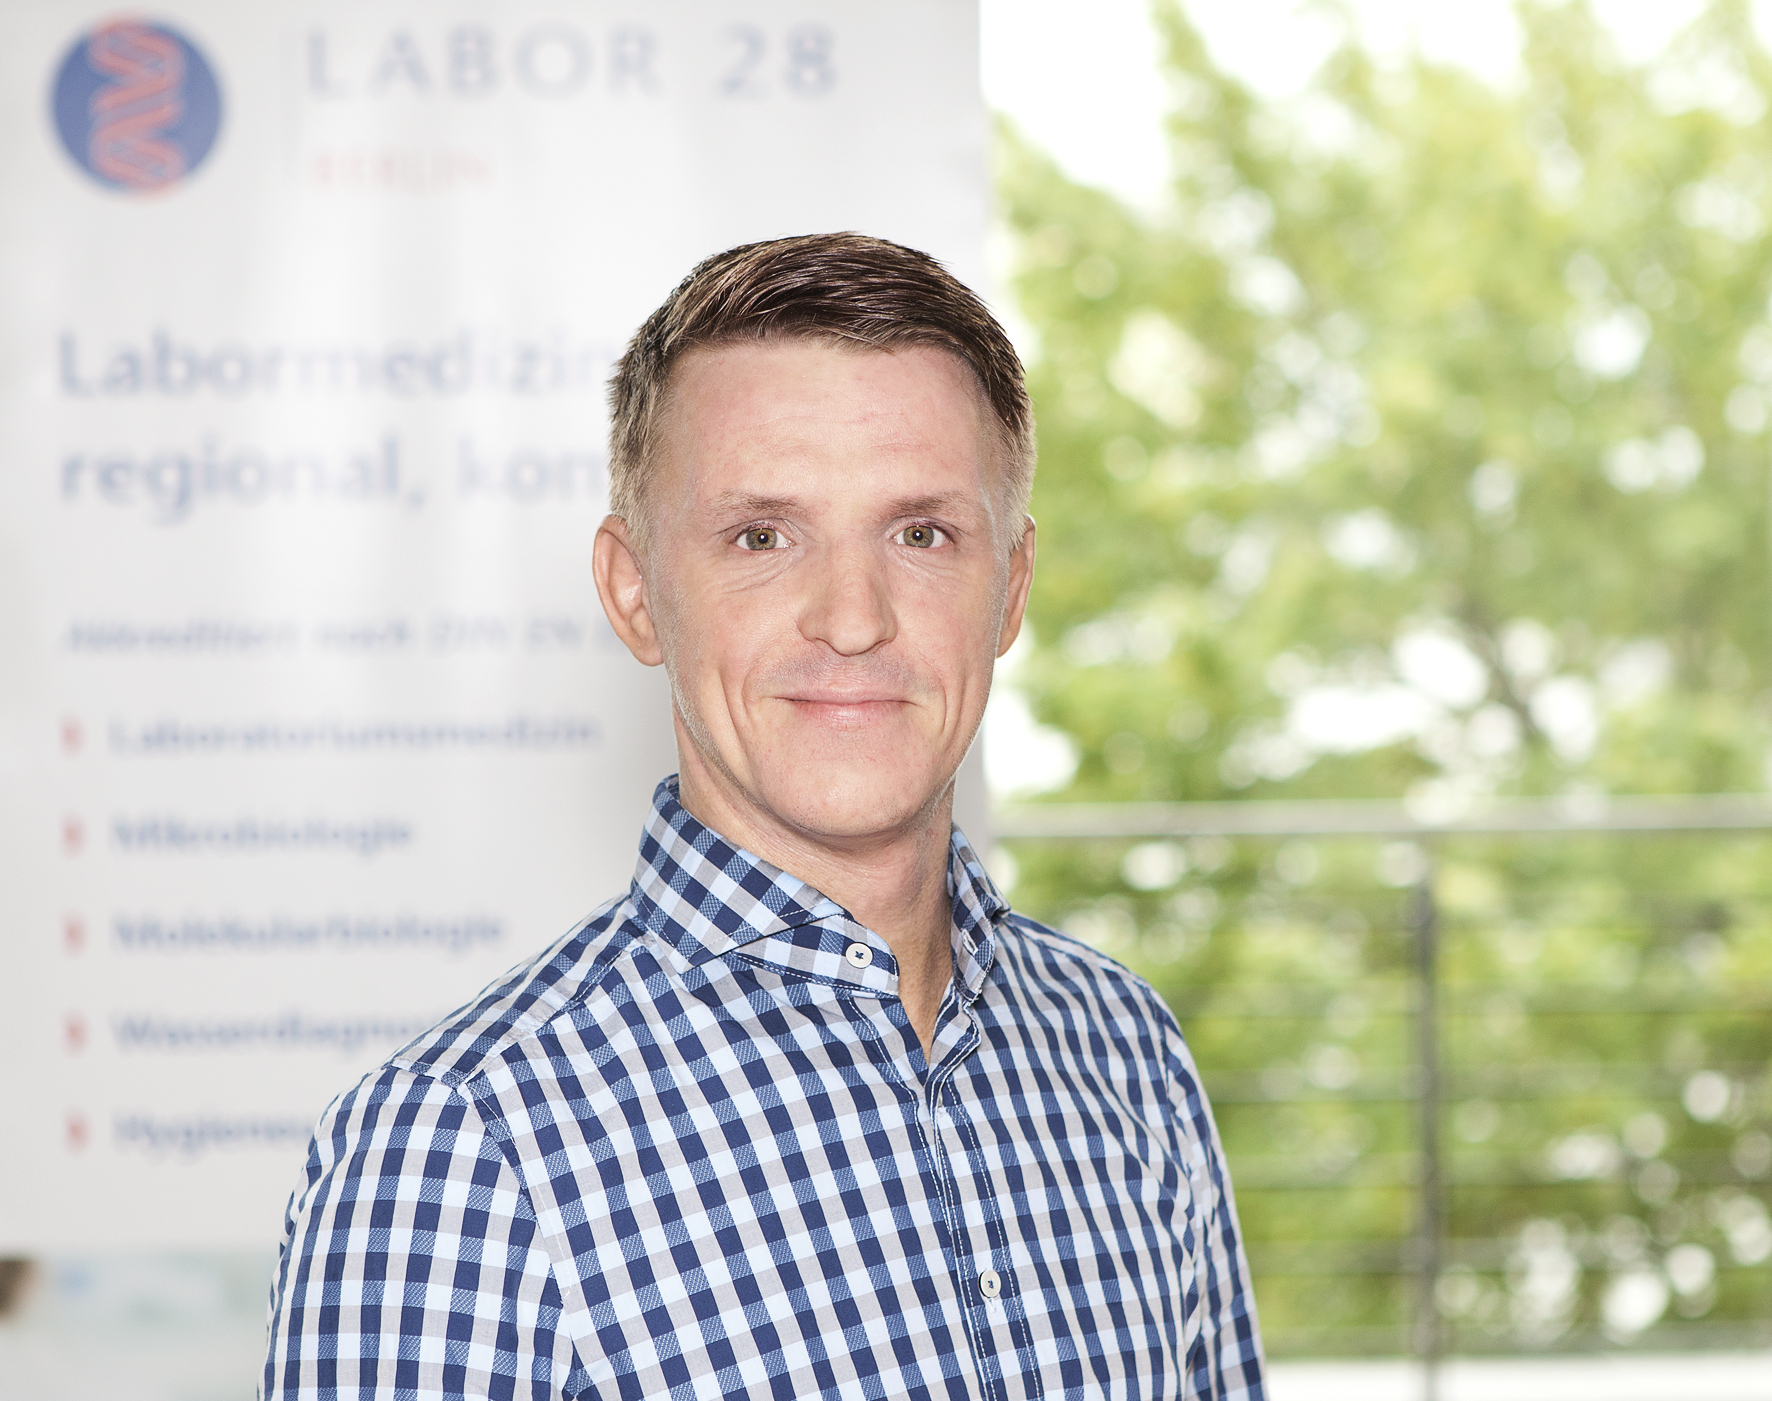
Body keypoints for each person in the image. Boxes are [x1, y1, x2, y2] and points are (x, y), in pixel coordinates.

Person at [262, 232, 1265, 1400]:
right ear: (634, 592)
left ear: (1011, 588)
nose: (852, 617)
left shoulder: (1122, 1049)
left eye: (921, 534)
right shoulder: (456, 1152)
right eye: (760, 537)